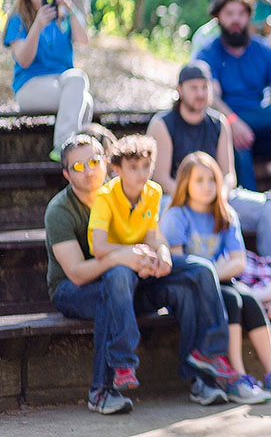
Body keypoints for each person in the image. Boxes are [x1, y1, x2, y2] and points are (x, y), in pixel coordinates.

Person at [45, 135, 235, 414]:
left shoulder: (129, 191)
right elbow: (75, 274)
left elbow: (151, 234)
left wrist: (161, 255)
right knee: (112, 289)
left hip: (128, 281)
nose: (88, 170)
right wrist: (123, 256)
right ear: (66, 174)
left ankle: (201, 373)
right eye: (77, 167)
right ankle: (101, 391)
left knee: (191, 279)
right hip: (73, 291)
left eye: (94, 161)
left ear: (106, 164)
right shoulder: (60, 210)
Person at [161, 152, 271, 401]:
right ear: (185, 185)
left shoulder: (225, 215)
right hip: (191, 287)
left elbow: (238, 262)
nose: (207, 186)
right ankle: (237, 377)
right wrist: (213, 272)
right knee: (232, 301)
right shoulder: (176, 216)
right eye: (199, 180)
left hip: (220, 280)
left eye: (212, 179)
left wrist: (210, 272)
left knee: (250, 300)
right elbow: (180, 266)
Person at [146, 60, 271, 260]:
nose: (200, 94)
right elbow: (161, 178)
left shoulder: (219, 123)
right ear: (180, 90)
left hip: (216, 195)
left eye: (204, 87)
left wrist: (219, 195)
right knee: (163, 209)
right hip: (178, 198)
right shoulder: (162, 123)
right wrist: (196, 197)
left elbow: (228, 174)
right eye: (193, 88)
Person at [195, 0, 271, 191]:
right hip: (227, 124)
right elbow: (212, 99)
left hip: (260, 123)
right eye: (229, 14)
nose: (236, 19)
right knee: (235, 141)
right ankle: (253, 207)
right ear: (218, 17)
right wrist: (234, 122)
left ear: (249, 16)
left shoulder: (264, 51)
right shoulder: (208, 53)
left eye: (241, 13)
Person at [3, 0, 92, 161]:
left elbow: (84, 40)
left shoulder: (64, 16)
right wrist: (37, 25)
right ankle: (64, 147)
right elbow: (24, 61)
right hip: (31, 87)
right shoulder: (18, 19)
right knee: (81, 96)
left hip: (64, 84)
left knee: (84, 94)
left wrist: (69, 7)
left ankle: (80, 155)